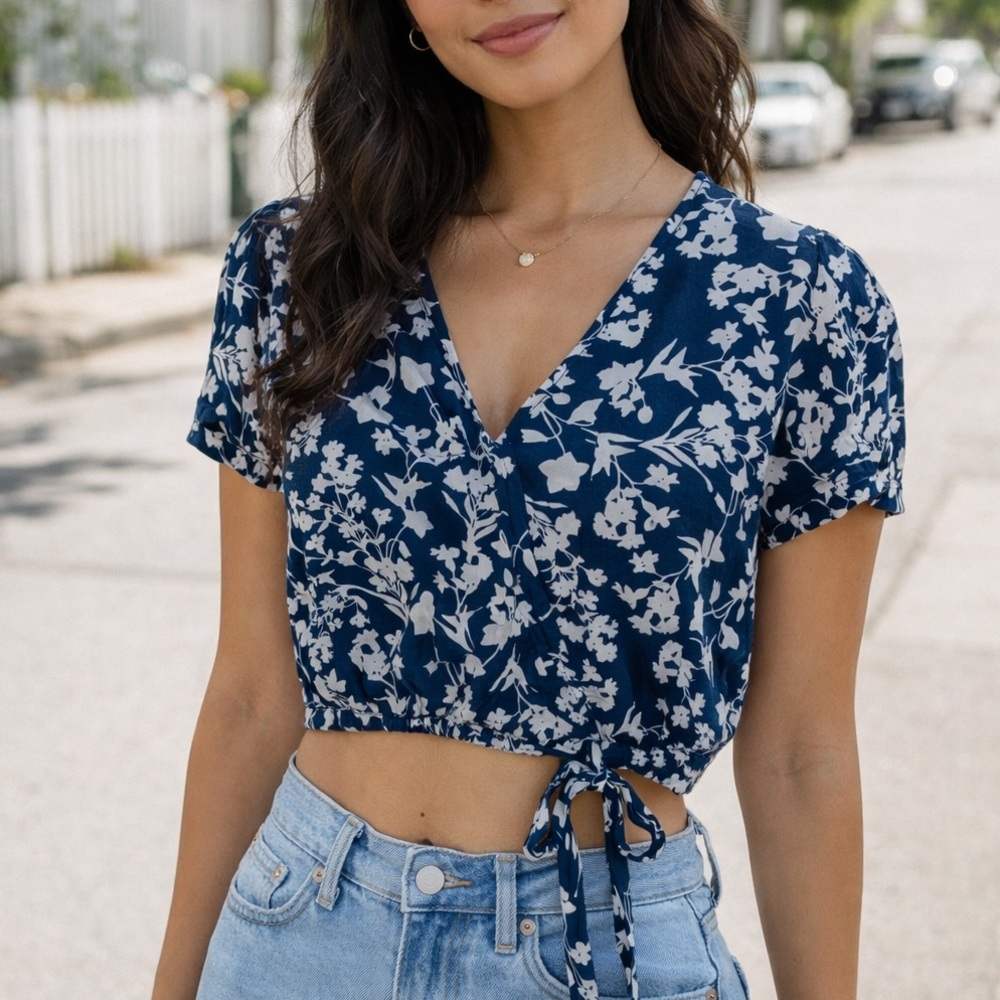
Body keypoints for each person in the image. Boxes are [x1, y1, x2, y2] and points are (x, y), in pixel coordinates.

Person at [152, 2, 906, 999]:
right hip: (300, 933)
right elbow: (252, 694)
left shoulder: (798, 301)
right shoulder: (298, 270)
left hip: (609, 947)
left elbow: (802, 750)